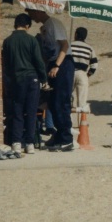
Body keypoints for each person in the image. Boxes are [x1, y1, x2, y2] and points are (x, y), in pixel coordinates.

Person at [27, 8, 74, 151]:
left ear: (38, 11)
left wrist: (57, 66)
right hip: (52, 64)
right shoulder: (44, 27)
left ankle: (66, 138)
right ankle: (59, 134)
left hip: (63, 63)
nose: (30, 16)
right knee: (52, 102)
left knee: (61, 101)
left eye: (31, 12)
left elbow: (64, 45)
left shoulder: (54, 23)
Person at [2, 13, 47, 155]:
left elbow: (6, 64)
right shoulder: (32, 40)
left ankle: (16, 142)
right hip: (32, 78)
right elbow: (38, 62)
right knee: (32, 111)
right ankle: (29, 143)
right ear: (27, 26)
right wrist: (43, 78)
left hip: (16, 80)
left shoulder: (7, 41)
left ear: (15, 24)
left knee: (17, 110)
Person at [69, 26, 98, 114]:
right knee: (82, 101)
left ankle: (68, 123)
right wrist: (88, 74)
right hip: (82, 73)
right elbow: (94, 64)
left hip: (69, 72)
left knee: (67, 98)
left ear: (76, 34)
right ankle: (81, 122)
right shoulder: (89, 48)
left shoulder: (69, 45)